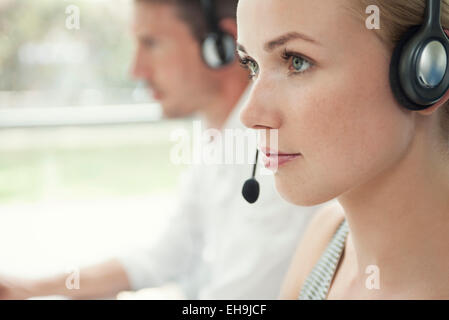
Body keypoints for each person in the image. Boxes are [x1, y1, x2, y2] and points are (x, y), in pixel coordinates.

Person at [0, 0, 318, 300]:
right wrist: (29, 288)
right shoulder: (220, 136)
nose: (136, 70)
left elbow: (234, 300)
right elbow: (167, 253)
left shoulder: (275, 154)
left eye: (151, 43)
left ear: (222, 46)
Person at [236, 0, 449, 300]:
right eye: (252, 66)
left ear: (429, 71)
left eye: (297, 61)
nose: (249, 115)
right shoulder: (327, 237)